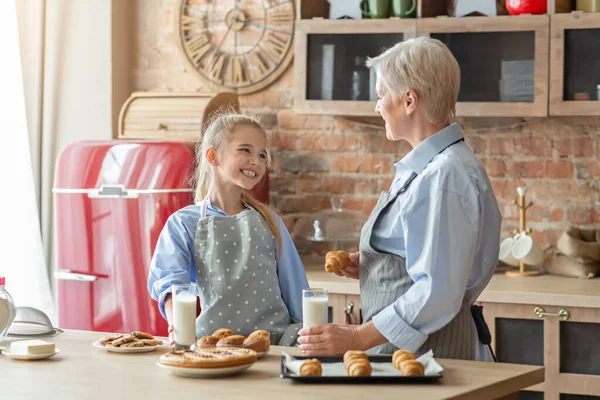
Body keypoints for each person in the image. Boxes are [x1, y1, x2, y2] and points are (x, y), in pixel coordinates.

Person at [297, 37, 502, 361]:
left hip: (433, 355)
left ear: (409, 100)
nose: (377, 106)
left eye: (381, 95)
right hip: (407, 352)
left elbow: (437, 292)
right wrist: (375, 262)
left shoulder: (444, 177)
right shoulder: (429, 168)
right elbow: (427, 255)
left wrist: (355, 336)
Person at [148, 113, 309, 347]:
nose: (257, 161)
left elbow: (295, 287)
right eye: (245, 150)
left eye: (262, 155)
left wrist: (309, 335)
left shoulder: (269, 221)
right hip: (213, 347)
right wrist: (177, 325)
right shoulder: (184, 222)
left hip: (273, 345)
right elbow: (172, 283)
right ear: (213, 156)